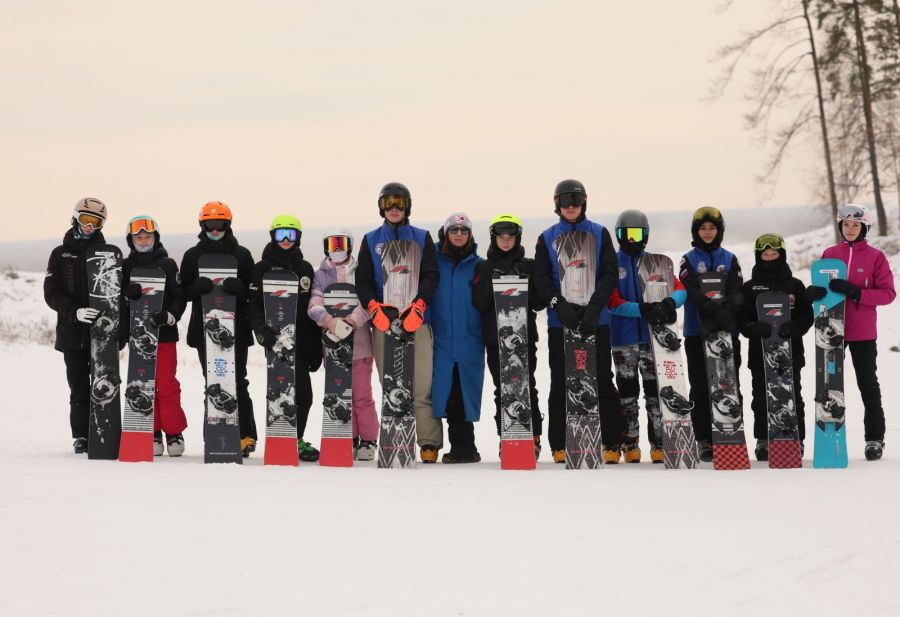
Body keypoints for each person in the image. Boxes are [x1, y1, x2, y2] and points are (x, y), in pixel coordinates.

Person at [533, 179, 626, 464]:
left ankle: (611, 442)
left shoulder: (599, 233)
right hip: (561, 321)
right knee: (562, 380)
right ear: (556, 204)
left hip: (595, 319)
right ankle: (560, 443)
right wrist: (558, 305)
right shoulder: (546, 236)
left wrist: (595, 307)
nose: (570, 205)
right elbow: (541, 279)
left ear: (584, 200)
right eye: (564, 200)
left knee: (600, 378)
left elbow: (609, 273)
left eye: (575, 199)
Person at [356, 182, 442, 463]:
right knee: (390, 383)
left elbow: (431, 275)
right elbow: (364, 280)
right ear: (381, 207)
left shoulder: (421, 237)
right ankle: (394, 438)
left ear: (407, 206)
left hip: (417, 320)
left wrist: (420, 304)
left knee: (421, 385)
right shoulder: (370, 240)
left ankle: (427, 442)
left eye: (399, 203)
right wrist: (372, 306)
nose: (394, 208)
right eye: (388, 203)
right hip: (384, 322)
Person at [805, 204, 896, 461]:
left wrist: (856, 292)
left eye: (856, 225)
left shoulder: (875, 257)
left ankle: (874, 439)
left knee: (868, 384)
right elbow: (821, 287)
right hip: (831, 329)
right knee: (827, 385)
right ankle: (828, 433)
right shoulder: (830, 253)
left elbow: (888, 293)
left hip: (862, 333)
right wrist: (813, 293)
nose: (851, 229)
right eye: (846, 225)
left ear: (864, 227)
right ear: (840, 227)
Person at [606, 209, 686, 463]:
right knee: (627, 394)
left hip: (654, 341)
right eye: (625, 234)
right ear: (618, 235)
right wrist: (641, 309)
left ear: (646, 234)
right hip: (623, 339)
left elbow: (680, 289)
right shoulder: (612, 264)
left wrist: (668, 304)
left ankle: (659, 442)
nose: (631, 239)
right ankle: (630, 443)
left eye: (636, 233)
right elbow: (612, 301)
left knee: (655, 393)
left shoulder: (656, 263)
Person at [179, 201, 258, 457]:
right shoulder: (192, 255)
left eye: (219, 224)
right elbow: (183, 293)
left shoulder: (242, 255)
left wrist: (241, 290)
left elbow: (254, 293)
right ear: (202, 225)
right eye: (209, 225)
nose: (214, 230)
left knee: (239, 382)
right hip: (206, 329)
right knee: (213, 382)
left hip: (239, 327)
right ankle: (215, 435)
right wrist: (195, 288)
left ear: (228, 224)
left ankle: (246, 435)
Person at [44, 198, 122, 454]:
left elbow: (117, 293)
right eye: (85, 220)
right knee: (78, 385)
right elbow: (51, 292)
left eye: (95, 222)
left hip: (102, 332)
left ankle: (106, 430)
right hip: (72, 332)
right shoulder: (59, 253)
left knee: (105, 381)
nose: (89, 227)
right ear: (75, 218)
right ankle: (81, 435)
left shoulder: (108, 253)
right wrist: (73, 311)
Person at [249, 214, 323, 461]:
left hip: (300, 343)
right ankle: (281, 437)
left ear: (298, 238)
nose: (285, 240)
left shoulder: (304, 269)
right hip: (274, 343)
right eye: (280, 234)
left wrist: (315, 350)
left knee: (304, 395)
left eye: (290, 234)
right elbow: (253, 305)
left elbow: (309, 310)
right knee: (279, 392)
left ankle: (295, 438)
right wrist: (260, 330)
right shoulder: (261, 269)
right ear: (272, 236)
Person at [472, 214, 544, 459]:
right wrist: (497, 288)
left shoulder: (529, 266)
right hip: (496, 339)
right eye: (501, 236)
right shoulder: (484, 266)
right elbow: (479, 303)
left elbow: (538, 302)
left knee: (527, 386)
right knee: (502, 389)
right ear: (494, 238)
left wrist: (521, 288)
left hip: (524, 338)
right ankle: (508, 435)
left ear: (517, 238)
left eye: (510, 236)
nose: (505, 241)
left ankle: (532, 436)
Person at [737, 233, 813, 461]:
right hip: (760, 350)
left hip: (790, 350)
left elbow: (806, 315)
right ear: (759, 257)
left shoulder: (795, 285)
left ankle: (796, 438)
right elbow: (741, 317)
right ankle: (763, 439)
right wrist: (751, 328)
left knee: (793, 394)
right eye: (765, 254)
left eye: (774, 254)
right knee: (760, 395)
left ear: (782, 255)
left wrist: (795, 327)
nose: (770, 258)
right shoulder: (750, 287)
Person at [678, 206, 744, 462]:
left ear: (720, 230)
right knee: (701, 386)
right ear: (696, 231)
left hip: (727, 332)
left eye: (712, 228)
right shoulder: (688, 259)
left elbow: (737, 290)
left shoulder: (730, 258)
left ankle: (733, 433)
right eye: (703, 228)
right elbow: (689, 290)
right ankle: (704, 439)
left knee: (729, 384)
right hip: (697, 331)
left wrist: (726, 312)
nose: (707, 232)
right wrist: (709, 308)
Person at [307, 228, 378, 460]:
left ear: (350, 245)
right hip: (333, 346)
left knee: (361, 395)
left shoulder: (360, 271)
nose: (337, 248)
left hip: (359, 346)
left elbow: (368, 303)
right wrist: (328, 321)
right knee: (340, 394)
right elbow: (314, 303)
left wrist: (352, 321)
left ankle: (368, 439)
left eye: (341, 243)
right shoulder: (321, 274)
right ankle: (349, 436)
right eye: (332, 243)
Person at [121, 216, 188, 456]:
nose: (143, 240)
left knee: (166, 384)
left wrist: (170, 315)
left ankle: (173, 432)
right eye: (138, 237)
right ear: (131, 240)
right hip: (139, 336)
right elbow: (116, 301)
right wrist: (127, 295)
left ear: (155, 238)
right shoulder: (125, 267)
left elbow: (179, 296)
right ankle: (153, 431)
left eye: (148, 236)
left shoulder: (168, 264)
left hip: (165, 334)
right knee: (143, 385)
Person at [431, 213, 485, 463]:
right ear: (445, 234)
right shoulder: (432, 262)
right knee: (445, 394)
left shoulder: (479, 265)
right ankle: (434, 445)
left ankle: (466, 448)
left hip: (469, 339)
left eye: (464, 231)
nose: (459, 235)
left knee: (465, 394)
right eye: (454, 231)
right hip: (440, 339)